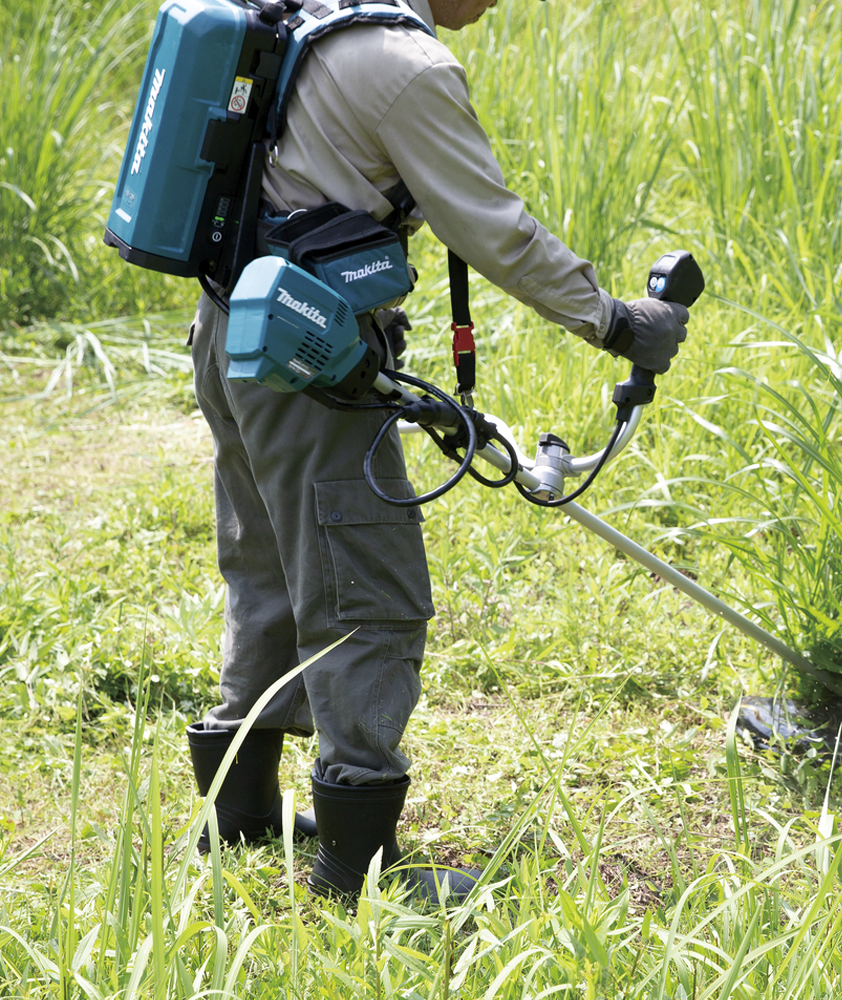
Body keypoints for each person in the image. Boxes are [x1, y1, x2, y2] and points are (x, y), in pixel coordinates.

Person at [186, 0, 689, 900]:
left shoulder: (317, 13)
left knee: (265, 565)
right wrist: (613, 319)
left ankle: (241, 819)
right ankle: (355, 871)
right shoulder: (406, 63)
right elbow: (490, 227)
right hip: (303, 355)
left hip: (231, 330)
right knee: (364, 591)